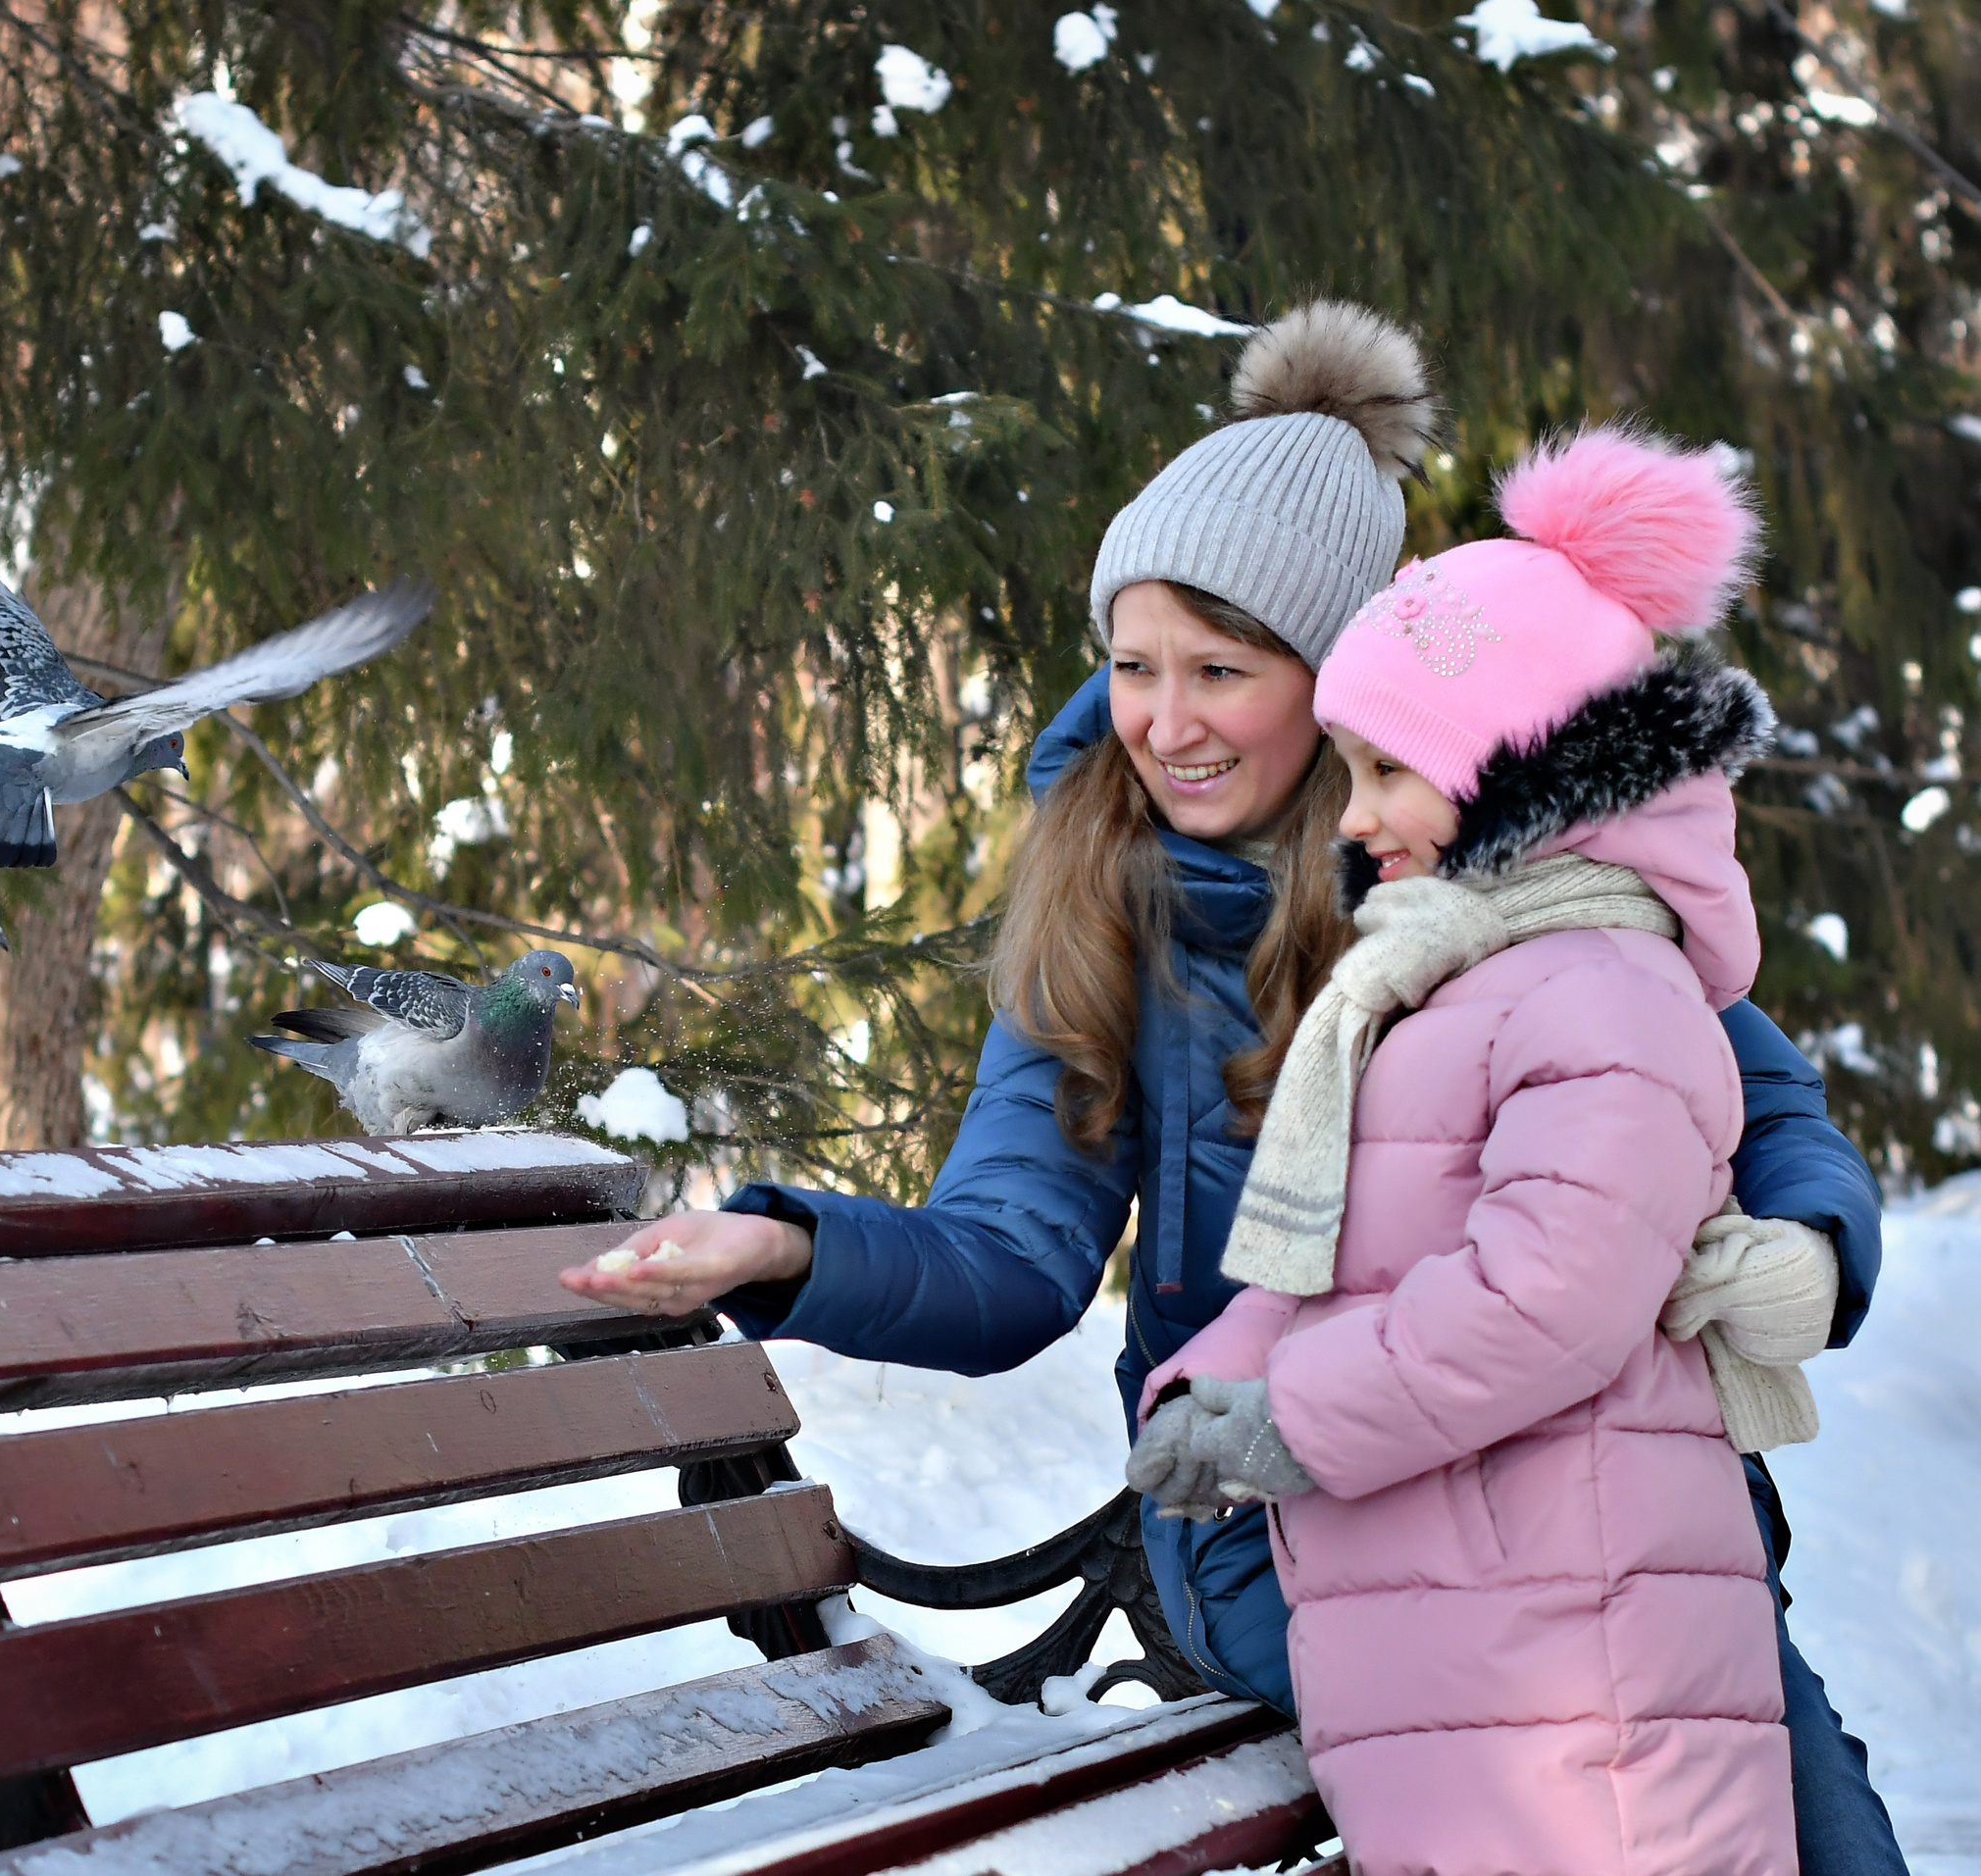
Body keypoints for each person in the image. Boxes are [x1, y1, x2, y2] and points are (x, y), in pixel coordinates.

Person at [558, 304, 1903, 1873]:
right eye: (1133, 664)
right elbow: (1011, 1255)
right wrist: (792, 1253)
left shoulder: (1502, 867)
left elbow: (1758, 1094)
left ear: (1344, 689)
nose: (1166, 722)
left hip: (1580, 1489)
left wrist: (1809, 1246)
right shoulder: (1103, 898)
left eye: (1223, 668)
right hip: (1277, 1504)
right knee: (1577, 1748)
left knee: (1803, 1815)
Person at [1130, 426, 1798, 1874]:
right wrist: (1218, 1380)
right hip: (1466, 1653)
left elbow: (1542, 1297)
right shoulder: (1442, 979)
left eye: (1389, 770)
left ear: (1518, 765)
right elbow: (1352, 1253)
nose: (1356, 819)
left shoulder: (1605, 985)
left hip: (1576, 1678)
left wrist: (1289, 1419)